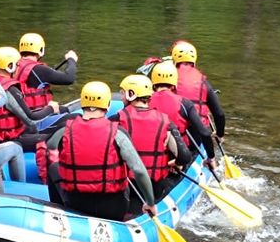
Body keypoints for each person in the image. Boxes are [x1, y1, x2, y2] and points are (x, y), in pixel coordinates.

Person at [45, 81, 156, 221]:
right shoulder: (118, 134)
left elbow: (50, 148)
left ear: (82, 103)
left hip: (76, 204)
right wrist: (150, 203)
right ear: (108, 105)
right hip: (112, 208)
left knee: (54, 168)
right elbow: (139, 170)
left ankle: (59, 212)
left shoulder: (64, 130)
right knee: (123, 178)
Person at [116, 74, 191, 208]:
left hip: (126, 186)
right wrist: (174, 163)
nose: (121, 97)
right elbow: (185, 156)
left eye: (123, 93)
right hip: (154, 187)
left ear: (131, 94)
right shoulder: (165, 121)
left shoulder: (116, 119)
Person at [0, 46, 60, 152]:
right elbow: (31, 119)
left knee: (32, 129)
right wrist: (51, 109)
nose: (19, 68)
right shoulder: (9, 89)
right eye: (17, 65)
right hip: (6, 140)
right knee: (57, 136)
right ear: (10, 66)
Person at [148, 61, 216, 169]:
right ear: (174, 83)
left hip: (150, 154)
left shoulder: (144, 102)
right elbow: (204, 133)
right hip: (177, 154)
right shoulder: (184, 103)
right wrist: (211, 158)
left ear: (153, 82)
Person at [171, 40, 226, 139]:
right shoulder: (202, 81)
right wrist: (219, 134)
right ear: (194, 60)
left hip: (175, 134)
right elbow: (219, 114)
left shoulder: (168, 80)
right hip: (198, 134)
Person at [13, 32, 78, 111]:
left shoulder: (15, 65)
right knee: (75, 114)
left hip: (24, 112)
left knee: (64, 109)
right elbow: (69, 78)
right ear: (41, 50)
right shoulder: (40, 70)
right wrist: (72, 60)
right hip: (38, 115)